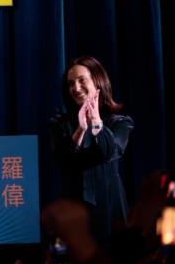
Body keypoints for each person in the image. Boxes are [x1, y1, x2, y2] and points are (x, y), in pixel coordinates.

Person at [49, 56, 134, 244]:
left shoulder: (119, 123)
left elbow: (108, 153)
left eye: (81, 80)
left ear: (97, 81)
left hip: (110, 212)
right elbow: (63, 159)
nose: (76, 88)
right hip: (73, 213)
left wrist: (96, 123)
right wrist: (80, 129)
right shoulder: (60, 125)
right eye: (71, 84)